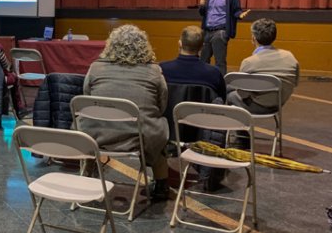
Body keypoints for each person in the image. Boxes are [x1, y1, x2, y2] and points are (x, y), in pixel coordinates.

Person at [82, 25, 170, 200]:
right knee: (159, 130)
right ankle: (161, 186)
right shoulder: (154, 71)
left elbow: (86, 97)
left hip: (96, 134)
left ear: (111, 45)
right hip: (137, 137)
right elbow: (161, 105)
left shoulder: (95, 68)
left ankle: (87, 176)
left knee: (88, 122)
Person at [228, 18, 300, 114]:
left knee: (229, 93)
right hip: (279, 104)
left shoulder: (249, 62)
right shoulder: (289, 56)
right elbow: (295, 83)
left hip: (258, 106)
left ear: (253, 38)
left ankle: (237, 127)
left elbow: (243, 93)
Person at [198, 0, 250, 74]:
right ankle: (204, 82)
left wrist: (240, 15)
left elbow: (236, 10)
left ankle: (220, 84)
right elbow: (203, 13)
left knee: (219, 61)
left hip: (220, 31)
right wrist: (201, 5)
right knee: (203, 60)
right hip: (207, 31)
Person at [160, 26, 226, 98]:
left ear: (180, 44)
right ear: (202, 47)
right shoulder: (214, 73)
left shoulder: (162, 70)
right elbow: (221, 99)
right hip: (202, 109)